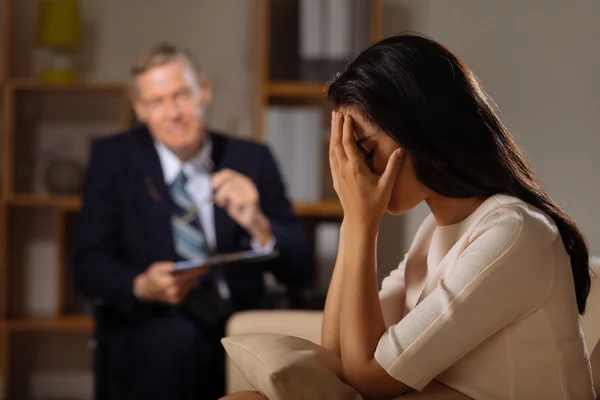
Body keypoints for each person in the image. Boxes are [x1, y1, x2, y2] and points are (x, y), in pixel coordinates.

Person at [222, 33, 595, 399]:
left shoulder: (512, 233)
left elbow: (367, 376)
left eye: (364, 149)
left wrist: (362, 223)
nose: (356, 170)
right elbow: (338, 354)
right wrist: (354, 220)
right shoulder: (434, 231)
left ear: (420, 131)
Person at [72, 43, 314, 400]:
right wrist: (141, 284)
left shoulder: (252, 158)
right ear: (140, 109)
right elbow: (87, 266)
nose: (173, 113)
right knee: (176, 342)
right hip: (153, 322)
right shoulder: (113, 160)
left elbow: (301, 271)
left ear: (203, 90)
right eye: (157, 102)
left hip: (237, 318)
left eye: (182, 95)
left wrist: (258, 224)